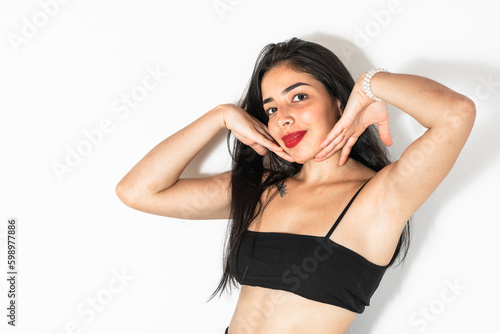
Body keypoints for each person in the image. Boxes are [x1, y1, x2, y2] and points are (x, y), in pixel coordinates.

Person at [115, 38, 475, 334]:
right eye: (270, 109)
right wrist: (220, 116)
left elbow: (456, 113)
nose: (283, 117)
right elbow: (137, 191)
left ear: (337, 101)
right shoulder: (262, 190)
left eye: (299, 97)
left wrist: (369, 86)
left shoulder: (382, 196)